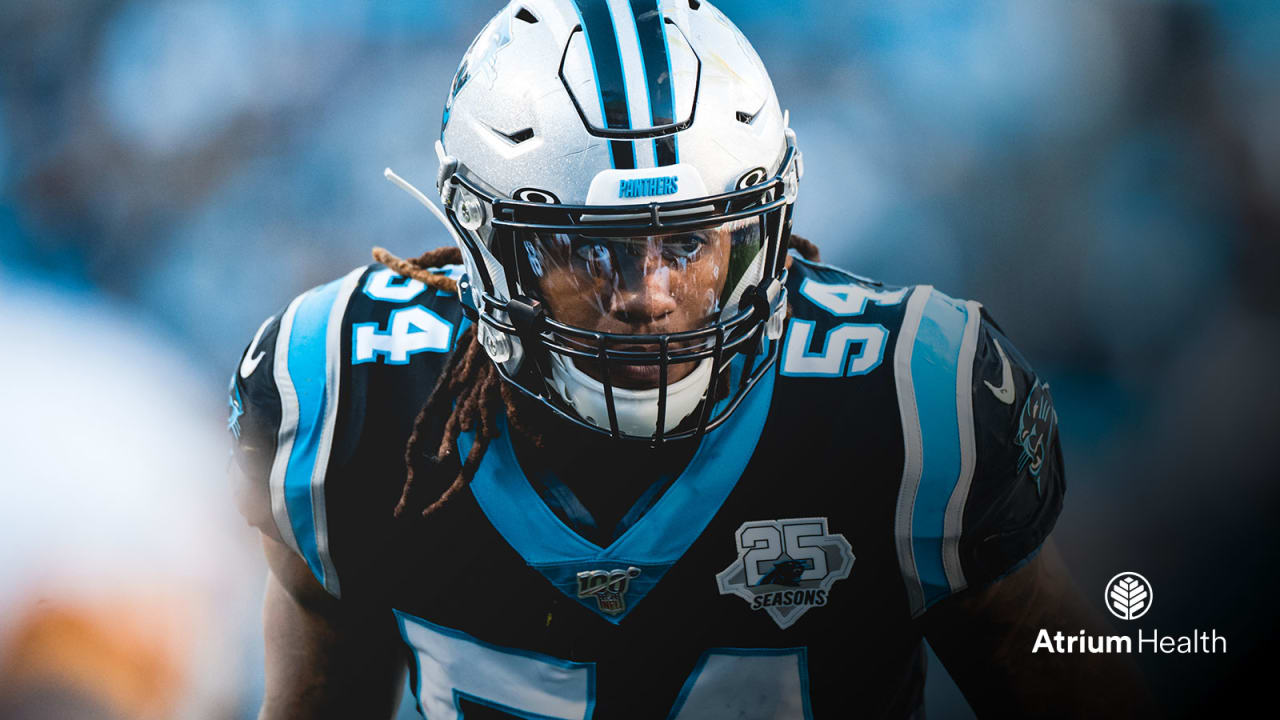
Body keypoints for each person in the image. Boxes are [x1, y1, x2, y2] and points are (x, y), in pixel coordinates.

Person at [229, 1, 1155, 717]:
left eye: (688, 243)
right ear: (488, 247)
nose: (646, 293)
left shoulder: (912, 410)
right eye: (589, 249)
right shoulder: (344, 399)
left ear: (761, 232)